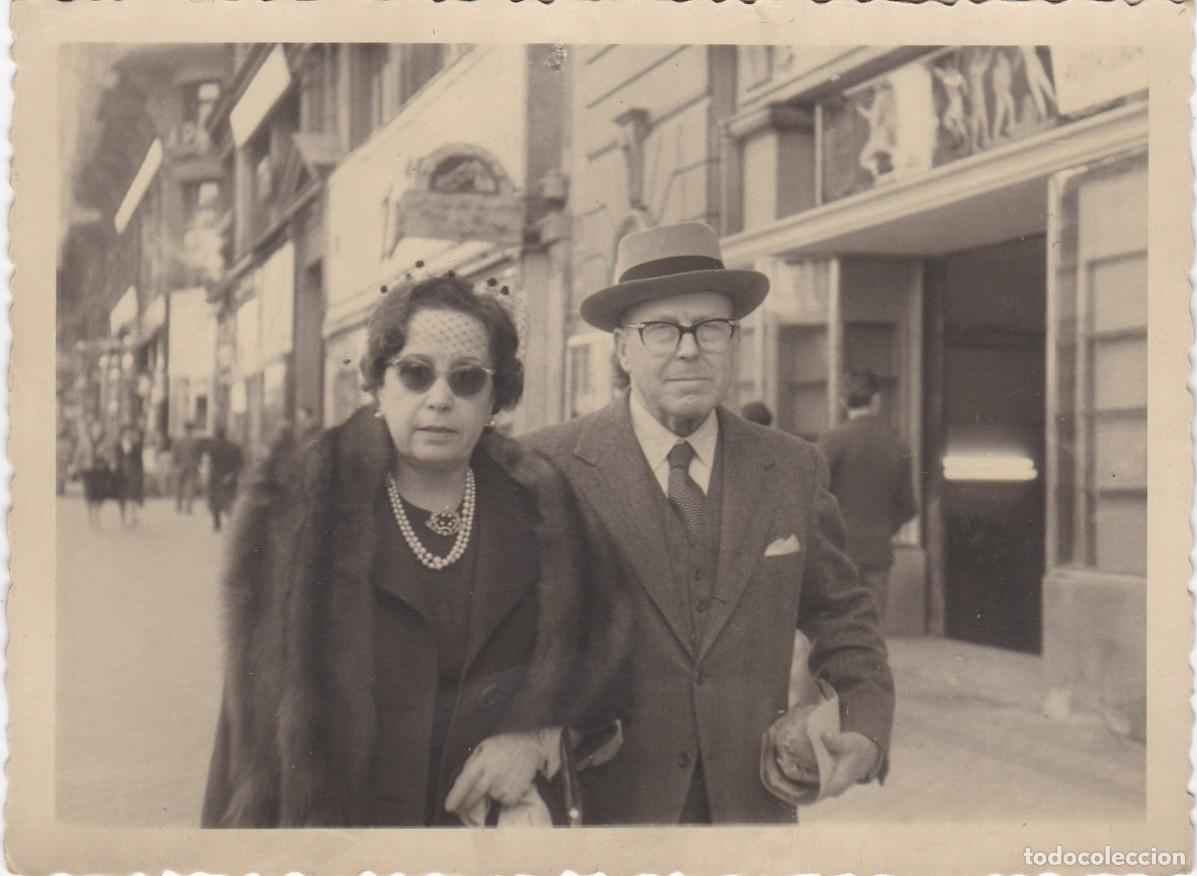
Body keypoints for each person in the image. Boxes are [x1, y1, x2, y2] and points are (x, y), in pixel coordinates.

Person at [525, 221, 894, 824]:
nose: (689, 348)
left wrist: (863, 719)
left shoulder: (793, 466)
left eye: (710, 328)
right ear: (622, 350)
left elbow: (841, 613)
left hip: (752, 814)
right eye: (662, 329)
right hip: (605, 816)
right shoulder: (549, 467)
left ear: (734, 343)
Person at [202, 274, 600, 828]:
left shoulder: (543, 511)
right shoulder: (304, 512)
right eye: (416, 374)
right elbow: (245, 735)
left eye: (467, 379)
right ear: (377, 387)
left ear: (496, 398)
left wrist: (535, 739)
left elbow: (601, 666)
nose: (440, 398)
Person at [818, 370, 918, 625]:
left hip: (837, 550)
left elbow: (814, 495)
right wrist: (885, 526)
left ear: (842, 402)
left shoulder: (831, 441)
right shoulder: (897, 445)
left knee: (836, 626)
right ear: (877, 400)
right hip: (877, 548)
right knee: (870, 627)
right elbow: (908, 505)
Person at [203, 426, 243, 532]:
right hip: (230, 478)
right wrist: (232, 475)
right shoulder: (234, 447)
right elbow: (240, 463)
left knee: (215, 502)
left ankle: (217, 524)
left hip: (215, 478)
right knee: (230, 500)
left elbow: (208, 463)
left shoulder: (211, 447)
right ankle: (231, 523)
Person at [74, 420, 111, 527]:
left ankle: (97, 514)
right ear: (91, 429)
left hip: (101, 470)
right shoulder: (84, 440)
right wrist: (76, 468)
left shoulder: (106, 441)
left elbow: (110, 455)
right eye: (95, 428)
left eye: (99, 428)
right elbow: (78, 455)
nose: (97, 430)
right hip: (88, 470)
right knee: (90, 494)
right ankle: (91, 516)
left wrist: (107, 458)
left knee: (100, 495)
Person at [112, 425, 145, 528]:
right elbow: (115, 459)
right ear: (121, 434)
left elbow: (139, 461)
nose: (128, 435)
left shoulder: (136, 445)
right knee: (122, 497)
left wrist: (140, 473)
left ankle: (132, 517)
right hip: (121, 473)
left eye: (129, 433)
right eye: (125, 433)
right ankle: (123, 518)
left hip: (133, 473)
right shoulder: (117, 445)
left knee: (133, 496)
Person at [173, 421, 203, 514]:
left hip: (180, 466)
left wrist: (175, 464)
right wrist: (198, 463)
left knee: (179, 486)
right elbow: (199, 455)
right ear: (192, 430)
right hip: (192, 466)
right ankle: (188, 507)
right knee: (190, 486)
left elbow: (175, 454)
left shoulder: (178, 441)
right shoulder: (196, 442)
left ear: (184, 429)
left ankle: (178, 506)